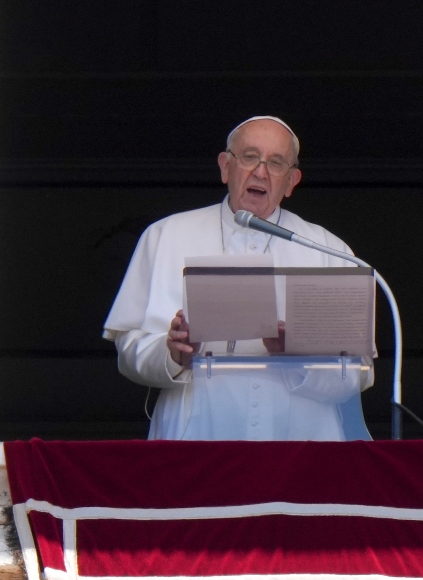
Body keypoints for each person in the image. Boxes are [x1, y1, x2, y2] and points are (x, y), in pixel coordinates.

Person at [103, 116, 374, 441]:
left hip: (300, 447)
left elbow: (357, 375)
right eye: (249, 157)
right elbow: (129, 351)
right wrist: (173, 354)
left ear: (291, 181)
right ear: (225, 166)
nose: (260, 172)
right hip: (196, 441)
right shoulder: (164, 235)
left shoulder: (330, 251)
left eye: (276, 163)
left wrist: (298, 356)